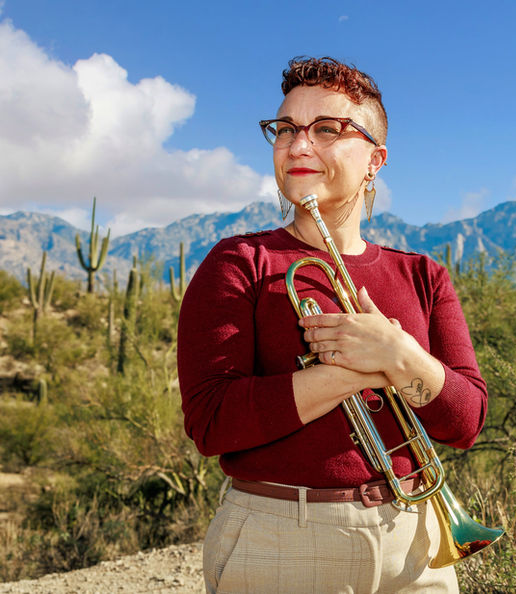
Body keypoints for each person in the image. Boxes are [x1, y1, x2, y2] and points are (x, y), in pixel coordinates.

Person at [177, 56, 488, 593]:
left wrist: (398, 354)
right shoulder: (239, 263)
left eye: (327, 129)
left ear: (375, 158)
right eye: (286, 129)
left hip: (415, 545)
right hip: (281, 541)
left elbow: (465, 421)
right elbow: (211, 422)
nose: (299, 145)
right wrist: (356, 369)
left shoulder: (424, 275)